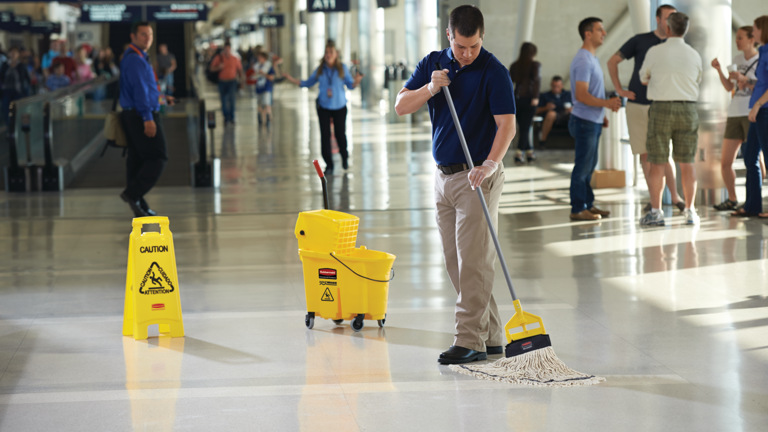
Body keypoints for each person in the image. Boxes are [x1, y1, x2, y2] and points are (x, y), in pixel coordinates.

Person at [394, 5, 516, 365]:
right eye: (461, 46)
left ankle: (469, 340)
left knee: (473, 263)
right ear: (450, 36)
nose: (467, 53)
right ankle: (492, 335)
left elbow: (506, 125)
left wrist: (490, 164)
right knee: (456, 263)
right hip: (443, 177)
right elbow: (401, 105)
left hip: (476, 178)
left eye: (474, 46)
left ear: (482, 38)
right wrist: (431, 88)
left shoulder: (494, 72)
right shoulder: (433, 63)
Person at [608, 4, 685, 214]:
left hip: (663, 106)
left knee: (664, 155)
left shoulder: (676, 44)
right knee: (644, 155)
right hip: (637, 104)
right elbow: (612, 61)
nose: (670, 21)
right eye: (668, 17)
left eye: (674, 17)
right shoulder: (640, 40)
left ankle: (676, 197)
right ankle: (654, 201)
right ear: (658, 19)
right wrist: (619, 89)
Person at [639, 12, 702, 226]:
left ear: (667, 29)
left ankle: (656, 212)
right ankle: (691, 211)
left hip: (661, 108)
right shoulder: (694, 54)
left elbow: (643, 78)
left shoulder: (655, 51)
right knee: (687, 162)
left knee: (657, 161)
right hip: (688, 109)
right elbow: (697, 79)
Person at [119, 21, 175, 218]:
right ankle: (132, 194)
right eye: (143, 34)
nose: (147, 38)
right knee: (158, 156)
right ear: (133, 36)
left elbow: (147, 87)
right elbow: (140, 91)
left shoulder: (140, 57)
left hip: (135, 111)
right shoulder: (135, 59)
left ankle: (138, 203)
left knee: (138, 158)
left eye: (149, 35)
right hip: (139, 114)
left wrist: (161, 98)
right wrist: (147, 117)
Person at [568, 18, 621, 221]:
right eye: (600, 29)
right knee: (582, 166)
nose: (605, 33)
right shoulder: (583, 60)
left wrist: (602, 114)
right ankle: (578, 208)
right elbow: (581, 95)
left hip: (592, 119)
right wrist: (607, 104)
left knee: (590, 166)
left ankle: (587, 205)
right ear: (588, 34)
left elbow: (593, 92)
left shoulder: (592, 58)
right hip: (584, 121)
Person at [283, 41, 363, 175]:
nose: (328, 55)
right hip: (323, 106)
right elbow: (308, 83)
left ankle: (344, 156)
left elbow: (350, 85)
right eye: (326, 52)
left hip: (339, 106)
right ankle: (329, 165)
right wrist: (291, 79)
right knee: (324, 136)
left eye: (331, 52)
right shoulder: (320, 69)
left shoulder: (342, 68)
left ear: (336, 54)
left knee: (340, 134)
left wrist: (357, 81)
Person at [711, 26, 761, 211]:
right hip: (734, 112)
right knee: (725, 162)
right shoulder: (737, 59)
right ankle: (732, 198)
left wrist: (744, 78)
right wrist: (719, 71)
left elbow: (762, 87)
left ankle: (755, 200)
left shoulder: (761, 59)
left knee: (753, 161)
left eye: (740, 38)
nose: (736, 41)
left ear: (751, 39)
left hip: (752, 113)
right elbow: (728, 87)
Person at [734, 16, 768, 218]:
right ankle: (753, 205)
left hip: (763, 109)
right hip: (757, 110)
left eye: (755, 29)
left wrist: (757, 105)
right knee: (750, 157)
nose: (753, 33)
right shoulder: (763, 52)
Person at [508, 42, 540, 164]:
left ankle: (530, 153)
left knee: (523, 127)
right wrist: (536, 97)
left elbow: (510, 84)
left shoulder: (515, 65)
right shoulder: (534, 65)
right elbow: (537, 81)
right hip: (530, 100)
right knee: (525, 128)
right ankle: (519, 154)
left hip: (516, 100)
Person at [209, 43, 244, 125]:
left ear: (230, 49)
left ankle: (232, 117)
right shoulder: (219, 58)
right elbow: (211, 68)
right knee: (223, 100)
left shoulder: (235, 58)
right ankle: (226, 117)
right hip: (222, 82)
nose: (227, 51)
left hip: (232, 81)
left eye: (228, 49)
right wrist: (219, 67)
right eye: (225, 49)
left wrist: (241, 82)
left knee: (232, 99)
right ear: (223, 49)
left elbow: (240, 70)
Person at [536, 75, 572, 146]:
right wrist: (546, 108)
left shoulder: (569, 95)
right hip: (552, 117)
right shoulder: (545, 96)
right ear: (551, 85)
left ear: (562, 86)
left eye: (558, 86)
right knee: (551, 114)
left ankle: (579, 143)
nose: (555, 88)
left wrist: (572, 109)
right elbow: (535, 111)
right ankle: (542, 142)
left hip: (567, 116)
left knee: (576, 115)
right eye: (554, 86)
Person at [0, 47, 31, 124]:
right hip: (7, 91)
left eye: (15, 53)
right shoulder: (5, 65)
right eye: (11, 52)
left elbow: (27, 79)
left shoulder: (22, 65)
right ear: (8, 54)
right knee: (7, 111)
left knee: (19, 111)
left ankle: (19, 128)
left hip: (19, 91)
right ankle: (9, 130)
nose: (13, 54)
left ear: (18, 54)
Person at [253, 51, 275, 126]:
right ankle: (260, 118)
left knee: (267, 103)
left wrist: (263, 74)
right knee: (259, 104)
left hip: (266, 88)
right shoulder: (256, 66)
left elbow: (271, 78)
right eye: (258, 58)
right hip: (259, 88)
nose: (259, 59)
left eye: (260, 57)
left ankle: (268, 118)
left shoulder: (268, 67)